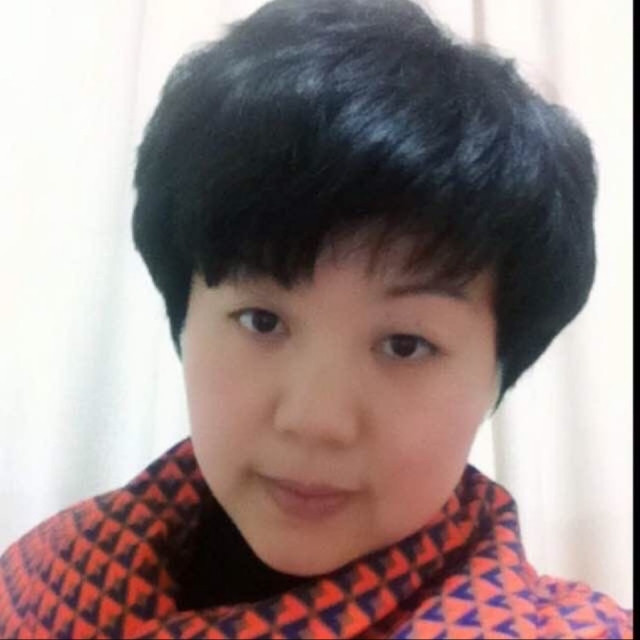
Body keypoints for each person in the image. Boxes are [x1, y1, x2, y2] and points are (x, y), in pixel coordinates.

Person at [0, 0, 632, 637]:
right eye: (262, 321)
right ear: (185, 318)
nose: (314, 420)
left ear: (499, 371)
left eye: (405, 344)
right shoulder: (31, 580)